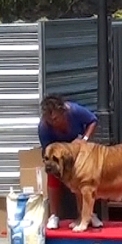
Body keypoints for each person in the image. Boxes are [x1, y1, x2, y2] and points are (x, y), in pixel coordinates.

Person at [38, 94, 103, 230]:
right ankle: (54, 215)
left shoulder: (74, 110)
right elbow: (47, 151)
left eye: (55, 118)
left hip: (80, 151)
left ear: (63, 112)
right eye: (49, 120)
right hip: (58, 155)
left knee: (83, 177)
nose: (53, 122)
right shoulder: (44, 127)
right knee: (52, 175)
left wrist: (84, 139)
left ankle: (87, 214)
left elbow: (93, 120)